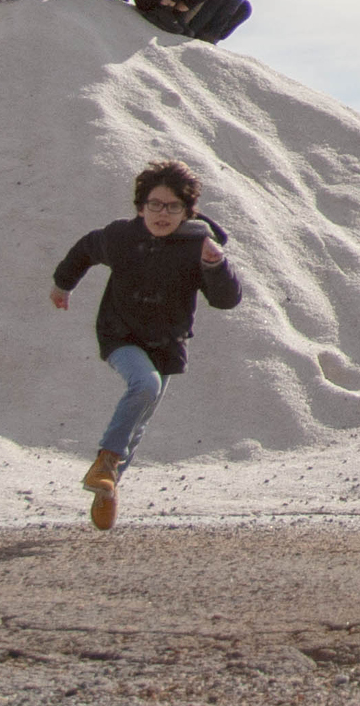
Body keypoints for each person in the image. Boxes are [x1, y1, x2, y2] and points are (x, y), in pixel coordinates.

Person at [50, 160, 244, 530]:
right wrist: (63, 284)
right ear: (141, 207)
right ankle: (104, 464)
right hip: (119, 334)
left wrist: (215, 265)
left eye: (173, 207)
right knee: (145, 385)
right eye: (154, 204)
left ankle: (108, 488)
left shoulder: (198, 245)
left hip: (167, 345)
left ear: (188, 212)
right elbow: (86, 249)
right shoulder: (123, 237)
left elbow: (226, 300)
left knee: (138, 425)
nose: (162, 214)